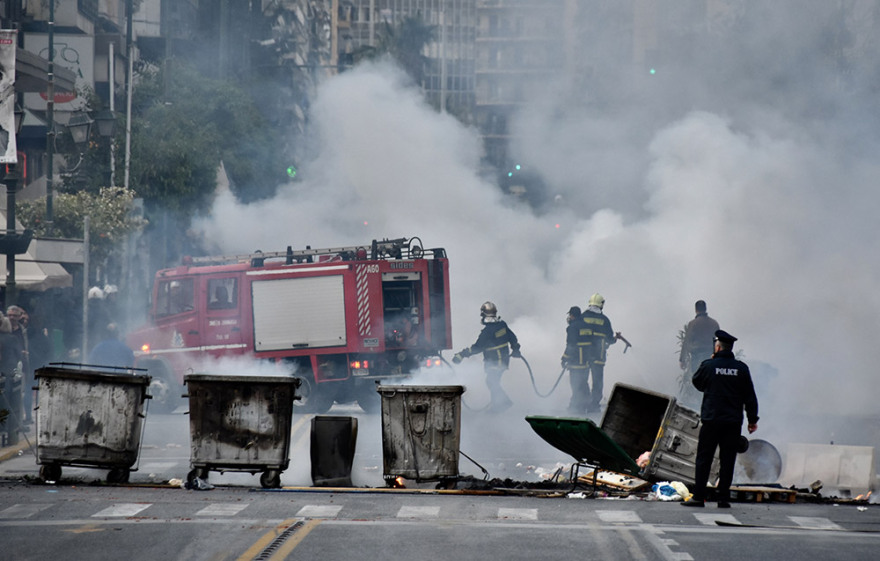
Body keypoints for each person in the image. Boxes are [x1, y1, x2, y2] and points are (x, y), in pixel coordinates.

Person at [682, 329, 759, 509]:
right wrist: (752, 420)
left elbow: (697, 383)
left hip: (711, 420)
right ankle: (723, 498)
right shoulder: (741, 369)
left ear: (717, 347)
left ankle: (699, 497)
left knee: (704, 459)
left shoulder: (709, 365)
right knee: (728, 459)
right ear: (730, 348)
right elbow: (750, 396)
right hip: (732, 422)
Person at [452, 301, 521, 412]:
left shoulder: (487, 331)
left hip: (495, 361)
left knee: (491, 381)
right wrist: (516, 348)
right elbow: (512, 337)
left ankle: (502, 403)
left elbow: (477, 347)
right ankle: (498, 403)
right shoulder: (502, 324)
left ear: (484, 315)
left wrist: (461, 355)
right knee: (492, 381)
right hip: (503, 360)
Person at [678, 300, 720, 407]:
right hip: (711, 357)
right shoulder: (714, 323)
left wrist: (682, 359)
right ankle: (709, 403)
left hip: (697, 357)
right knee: (709, 381)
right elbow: (718, 341)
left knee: (697, 380)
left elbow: (686, 342)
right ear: (705, 309)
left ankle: (699, 404)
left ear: (696, 310)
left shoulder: (693, 324)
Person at [580, 293, 617, 413]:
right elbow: (610, 339)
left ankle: (583, 402)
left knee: (582, 379)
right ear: (601, 304)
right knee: (597, 381)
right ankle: (594, 405)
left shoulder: (582, 317)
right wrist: (615, 339)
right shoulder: (604, 320)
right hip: (598, 356)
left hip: (583, 356)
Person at [561, 306, 594, 415]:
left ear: (572, 315)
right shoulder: (587, 326)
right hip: (586, 362)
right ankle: (587, 405)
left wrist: (564, 358)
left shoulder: (573, 327)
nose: (569, 317)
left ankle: (576, 408)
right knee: (583, 383)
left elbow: (571, 345)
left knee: (575, 385)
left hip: (575, 362)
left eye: (570, 315)